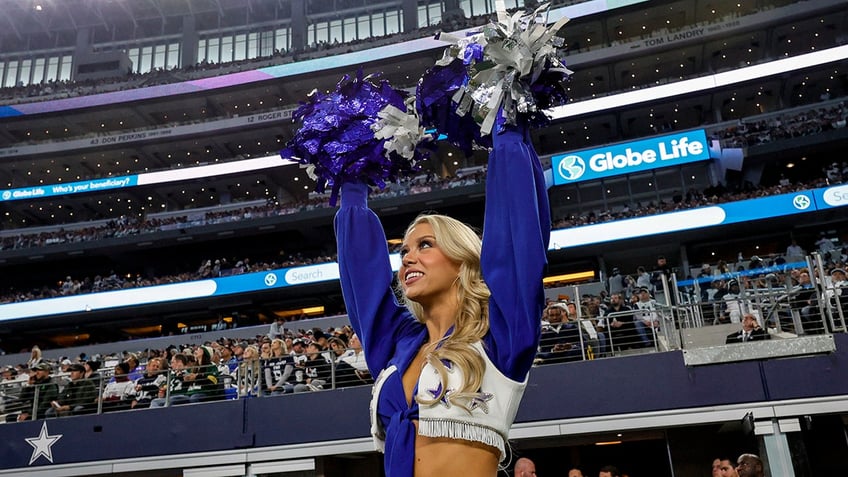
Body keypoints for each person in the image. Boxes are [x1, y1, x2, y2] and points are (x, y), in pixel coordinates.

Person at [335, 124, 550, 476]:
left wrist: (506, 133)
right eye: (403, 251)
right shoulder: (398, 346)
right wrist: (352, 183)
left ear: (462, 258)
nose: (406, 258)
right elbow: (362, 282)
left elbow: (517, 241)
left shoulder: (500, 336)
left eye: (424, 245)